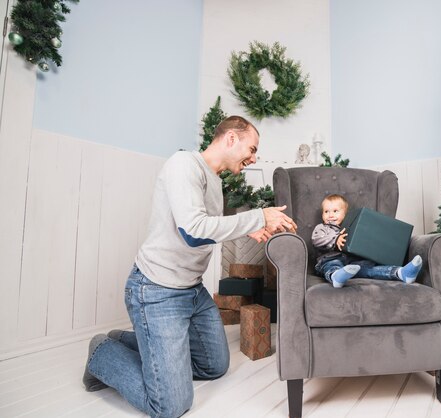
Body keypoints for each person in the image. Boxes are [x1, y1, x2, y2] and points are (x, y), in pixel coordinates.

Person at [82, 116, 297, 418]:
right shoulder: (184, 164)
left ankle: (131, 340)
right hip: (157, 290)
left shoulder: (216, 181)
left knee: (214, 366)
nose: (254, 157)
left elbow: (203, 235)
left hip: (192, 291)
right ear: (231, 139)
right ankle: (102, 352)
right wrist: (258, 217)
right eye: (252, 148)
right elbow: (193, 230)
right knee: (170, 406)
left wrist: (244, 229)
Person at [312, 194, 421, 288]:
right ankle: (336, 276)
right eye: (326, 211)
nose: (330, 215)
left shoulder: (351, 227)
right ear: (322, 215)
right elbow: (317, 239)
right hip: (329, 259)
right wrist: (335, 239)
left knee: (368, 269)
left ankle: (401, 273)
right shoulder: (322, 228)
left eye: (335, 211)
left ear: (345, 214)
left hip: (351, 263)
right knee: (333, 264)